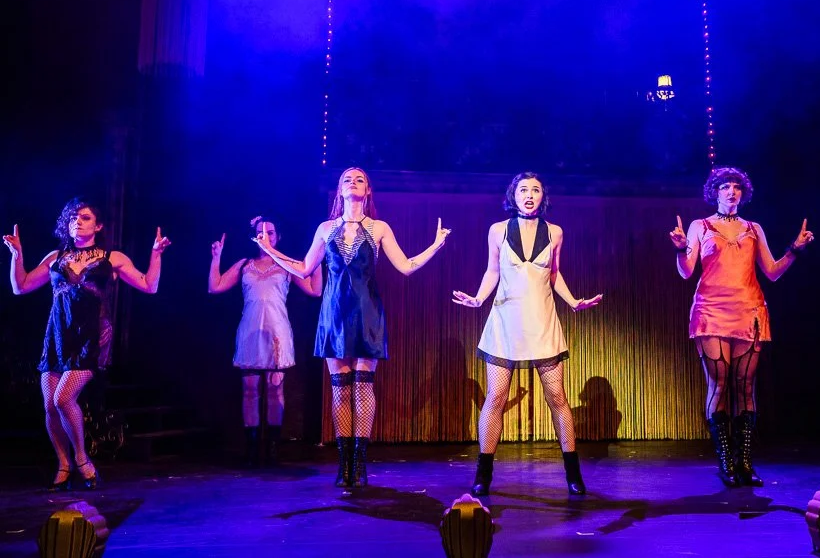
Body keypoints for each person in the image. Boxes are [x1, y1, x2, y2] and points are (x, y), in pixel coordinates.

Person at [253, 167, 450, 487]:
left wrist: (435, 246)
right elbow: (304, 269)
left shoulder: (379, 228)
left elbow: (406, 267)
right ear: (339, 191)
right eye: (347, 179)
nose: (353, 182)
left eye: (360, 179)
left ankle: (359, 463)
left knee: (362, 387)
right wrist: (269, 250)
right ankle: (343, 464)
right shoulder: (325, 228)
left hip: (367, 314)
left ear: (368, 191)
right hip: (333, 316)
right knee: (340, 390)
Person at [4, 198, 170, 490]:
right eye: (72, 219)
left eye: (84, 218)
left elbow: (149, 285)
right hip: (57, 335)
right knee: (50, 406)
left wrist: (156, 254)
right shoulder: (56, 256)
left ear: (98, 224)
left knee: (63, 398)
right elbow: (21, 287)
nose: (77, 222)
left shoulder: (112, 257)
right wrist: (17, 254)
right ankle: (63, 464)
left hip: (91, 336)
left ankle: (82, 459)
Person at [453, 172, 603, 496]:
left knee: (557, 397)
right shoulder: (497, 230)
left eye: (535, 189)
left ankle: (573, 472)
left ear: (542, 196)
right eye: (523, 189)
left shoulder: (555, 232)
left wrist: (574, 301)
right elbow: (492, 270)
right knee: (495, 397)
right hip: (505, 323)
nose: (529, 194)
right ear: (514, 195)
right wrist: (479, 298)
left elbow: (555, 274)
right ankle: (484, 473)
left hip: (542, 323)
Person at [669, 167, 813, 487]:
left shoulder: (753, 228)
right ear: (714, 192)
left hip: (749, 310)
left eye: (736, 187)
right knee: (720, 385)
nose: (731, 191)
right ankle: (725, 462)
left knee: (745, 387)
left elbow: (773, 272)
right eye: (724, 186)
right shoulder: (700, 226)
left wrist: (795, 249)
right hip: (711, 312)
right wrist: (681, 248)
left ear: (742, 193)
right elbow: (685, 271)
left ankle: (745, 462)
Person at [209, 216, 322, 466]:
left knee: (275, 389)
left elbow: (315, 290)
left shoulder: (286, 264)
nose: (266, 236)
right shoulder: (244, 265)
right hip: (250, 331)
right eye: (261, 232)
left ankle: (272, 446)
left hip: (276, 333)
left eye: (270, 232)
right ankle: (251, 446)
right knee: (249, 390)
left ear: (277, 236)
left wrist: (318, 260)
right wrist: (216, 257)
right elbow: (215, 286)